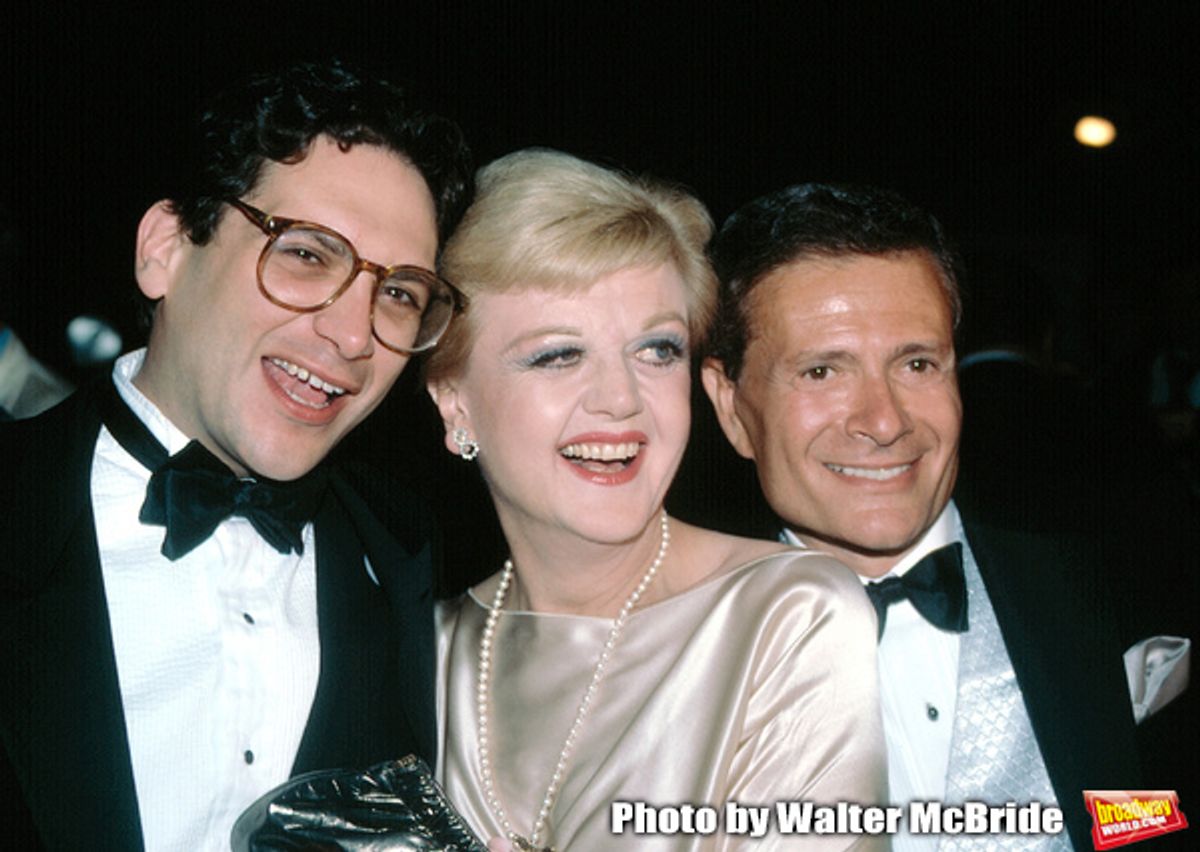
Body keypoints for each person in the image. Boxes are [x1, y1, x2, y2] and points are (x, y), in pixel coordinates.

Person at [0, 60, 472, 850]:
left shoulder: (407, 558)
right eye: (308, 255)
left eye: (399, 294)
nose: (354, 337)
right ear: (166, 250)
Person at [700, 183, 1191, 851]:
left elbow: (1153, 813)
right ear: (731, 407)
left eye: (916, 363)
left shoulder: (1114, 590)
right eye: (821, 372)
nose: (883, 420)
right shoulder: (666, 660)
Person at [419, 150, 885, 851]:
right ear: (455, 401)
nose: (622, 400)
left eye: (657, 350)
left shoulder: (787, 615)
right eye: (558, 355)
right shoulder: (422, 649)